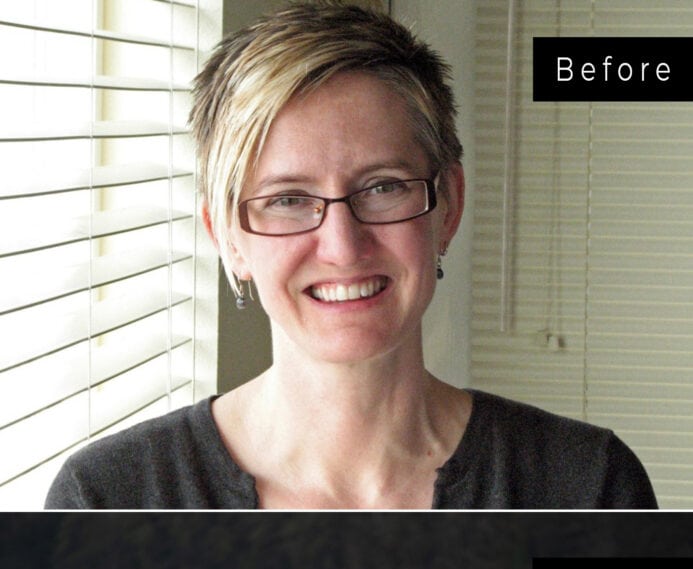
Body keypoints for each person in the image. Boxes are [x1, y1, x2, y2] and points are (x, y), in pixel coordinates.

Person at [45, 1, 657, 510]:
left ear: (449, 204)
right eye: (287, 199)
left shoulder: (588, 487)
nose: (342, 246)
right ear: (227, 235)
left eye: (384, 187)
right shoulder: (107, 499)